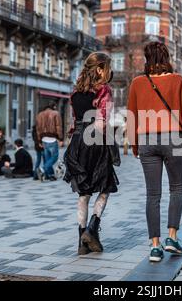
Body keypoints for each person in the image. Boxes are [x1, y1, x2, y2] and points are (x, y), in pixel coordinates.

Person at [127, 41, 182, 263]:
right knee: (176, 188)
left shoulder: (137, 83)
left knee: (153, 194)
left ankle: (155, 246)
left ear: (147, 59)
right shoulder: (177, 80)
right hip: (174, 139)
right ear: (166, 57)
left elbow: (132, 115)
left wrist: (134, 144)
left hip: (147, 140)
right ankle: (172, 237)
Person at [63, 52, 120, 256]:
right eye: (107, 68)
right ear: (99, 69)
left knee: (83, 193)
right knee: (105, 188)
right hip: (95, 141)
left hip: (77, 143)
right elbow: (104, 121)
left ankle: (81, 242)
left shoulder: (75, 92)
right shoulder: (104, 90)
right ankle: (92, 229)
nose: (108, 72)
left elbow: (73, 122)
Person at [36, 101, 64, 181]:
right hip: (52, 139)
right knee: (54, 157)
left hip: (43, 139)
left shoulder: (39, 115)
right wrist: (61, 139)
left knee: (48, 158)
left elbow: (38, 129)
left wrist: (39, 141)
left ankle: (50, 175)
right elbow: (58, 127)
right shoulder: (56, 113)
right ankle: (42, 168)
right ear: (54, 106)